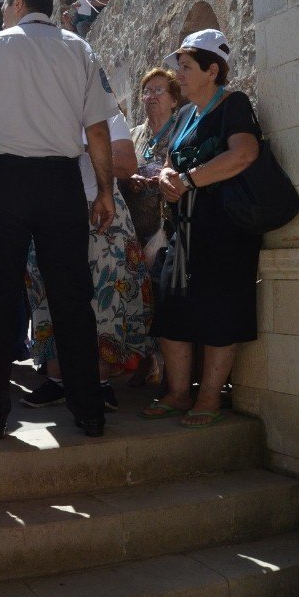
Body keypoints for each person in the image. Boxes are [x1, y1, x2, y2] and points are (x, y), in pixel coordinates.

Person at [0, 0, 115, 440]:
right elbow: (97, 131)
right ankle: (88, 410)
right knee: (72, 297)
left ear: (17, 3)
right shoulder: (79, 50)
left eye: (5, 7)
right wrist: (105, 191)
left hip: (5, 181)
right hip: (60, 182)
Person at [143, 29, 261, 427]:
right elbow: (170, 162)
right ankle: (178, 393)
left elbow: (244, 153)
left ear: (213, 70)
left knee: (219, 312)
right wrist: (166, 177)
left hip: (225, 230)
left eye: (187, 66)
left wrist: (189, 180)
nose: (179, 73)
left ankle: (208, 398)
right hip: (186, 230)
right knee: (173, 309)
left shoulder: (234, 105)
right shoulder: (185, 115)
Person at [25, 107, 152, 411]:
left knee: (105, 292)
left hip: (102, 212)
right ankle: (57, 379)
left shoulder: (106, 114)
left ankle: (100, 381)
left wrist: (76, 148)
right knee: (47, 290)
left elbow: (125, 163)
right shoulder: (37, 107)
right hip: (48, 212)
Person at [121, 67, 181, 386]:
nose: (151, 97)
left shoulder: (182, 133)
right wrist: (128, 178)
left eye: (159, 90)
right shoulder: (133, 135)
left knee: (164, 298)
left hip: (170, 231)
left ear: (174, 100)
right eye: (146, 91)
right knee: (140, 300)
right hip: (135, 231)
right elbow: (120, 171)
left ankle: (172, 370)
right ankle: (146, 361)